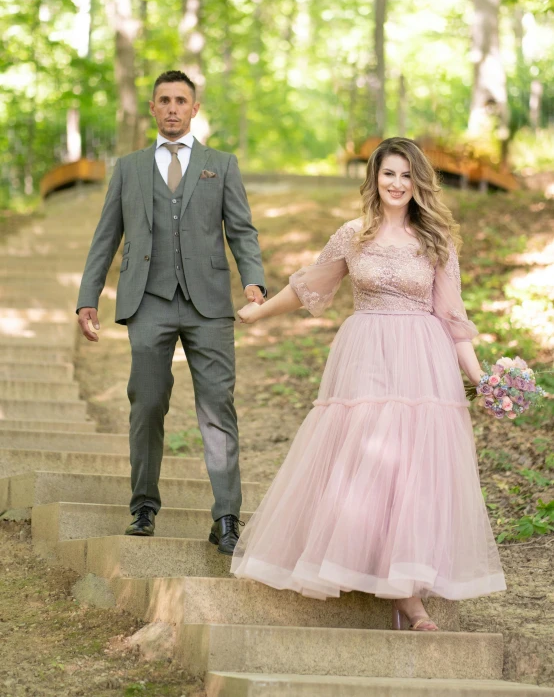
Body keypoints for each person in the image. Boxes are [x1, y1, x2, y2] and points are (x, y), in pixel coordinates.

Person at [231, 137, 506, 630]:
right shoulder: (352, 234)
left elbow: (453, 317)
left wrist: (483, 379)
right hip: (365, 352)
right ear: (374, 179)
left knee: (414, 468)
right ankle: (356, 557)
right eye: (389, 174)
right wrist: (259, 312)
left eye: (406, 175)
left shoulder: (436, 241)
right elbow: (308, 286)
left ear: (418, 182)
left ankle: (406, 591)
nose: (397, 184)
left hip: (422, 359)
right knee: (363, 454)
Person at [76, 70, 266, 554]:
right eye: (165, 100)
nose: (174, 107)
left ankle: (226, 518)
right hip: (148, 303)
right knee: (147, 403)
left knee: (217, 409)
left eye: (182, 100)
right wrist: (88, 296)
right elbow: (106, 236)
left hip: (210, 307)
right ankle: (143, 507)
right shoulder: (130, 167)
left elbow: (242, 231)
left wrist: (253, 280)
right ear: (153, 109)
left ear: (195, 108)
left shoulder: (221, 164)